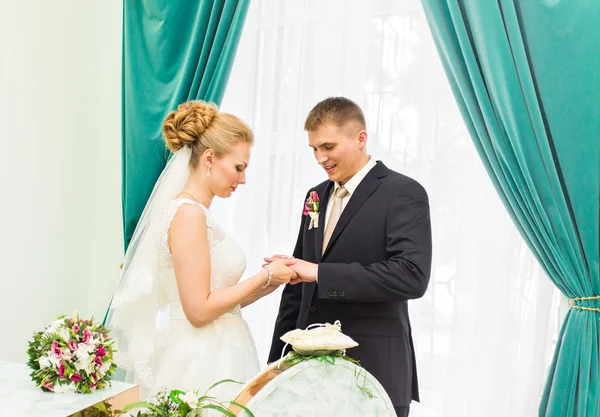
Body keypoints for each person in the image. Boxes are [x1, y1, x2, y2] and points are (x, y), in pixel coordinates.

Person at [105, 100, 297, 399]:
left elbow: (218, 304)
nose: (242, 179)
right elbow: (197, 311)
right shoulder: (189, 215)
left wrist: (270, 281)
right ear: (209, 158)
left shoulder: (198, 215)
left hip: (219, 350)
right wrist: (264, 276)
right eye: (238, 168)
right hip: (200, 360)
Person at [267, 97, 432, 417]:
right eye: (314, 149)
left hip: (373, 371)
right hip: (307, 375)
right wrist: (275, 364)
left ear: (361, 138)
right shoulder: (315, 195)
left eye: (328, 146)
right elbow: (297, 286)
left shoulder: (403, 192)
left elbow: (411, 275)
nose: (320, 158)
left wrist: (321, 273)